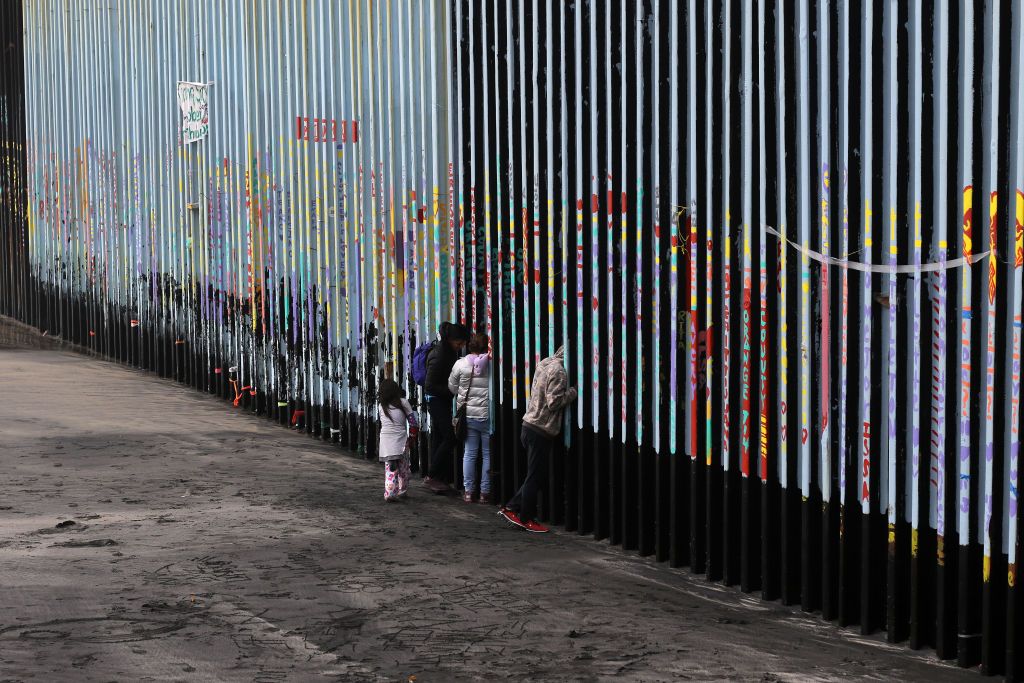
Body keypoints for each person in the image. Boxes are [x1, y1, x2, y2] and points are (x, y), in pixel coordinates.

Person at [499, 345, 576, 533]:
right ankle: (525, 518)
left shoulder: (545, 363)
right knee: (535, 477)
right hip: (541, 430)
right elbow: (554, 402)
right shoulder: (560, 372)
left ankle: (512, 507)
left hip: (529, 425)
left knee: (535, 476)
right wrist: (573, 392)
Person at [423, 321, 470, 492]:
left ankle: (438, 479)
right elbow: (429, 385)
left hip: (439, 399)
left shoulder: (448, 351)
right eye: (460, 342)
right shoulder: (441, 355)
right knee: (450, 438)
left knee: (439, 438)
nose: (462, 346)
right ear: (451, 339)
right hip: (436, 400)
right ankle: (432, 475)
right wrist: (451, 391)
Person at [448, 333, 492, 503]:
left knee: (470, 454)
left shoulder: (460, 364)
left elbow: (452, 387)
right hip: (488, 415)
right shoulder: (491, 363)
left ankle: (468, 491)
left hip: (468, 415)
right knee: (488, 455)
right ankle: (484, 493)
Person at [377, 379, 418, 502]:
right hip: (401, 440)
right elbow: (413, 423)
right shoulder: (403, 403)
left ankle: (390, 493)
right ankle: (402, 490)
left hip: (386, 440)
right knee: (404, 468)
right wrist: (412, 439)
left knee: (390, 468)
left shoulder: (381, 406)